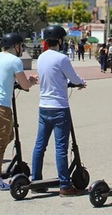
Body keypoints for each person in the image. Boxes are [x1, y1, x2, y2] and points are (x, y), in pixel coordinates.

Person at [0, 33, 38, 191]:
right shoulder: (15, 60)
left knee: (8, 135)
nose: (21, 49)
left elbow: (5, 76)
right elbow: (24, 84)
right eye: (21, 46)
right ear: (15, 46)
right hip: (1, 106)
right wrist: (31, 81)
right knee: (1, 143)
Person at [31, 25, 86, 196]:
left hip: (44, 106)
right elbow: (74, 78)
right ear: (60, 40)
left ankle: (36, 180)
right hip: (59, 107)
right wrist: (80, 83)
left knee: (40, 145)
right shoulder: (62, 59)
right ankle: (64, 184)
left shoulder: (41, 58)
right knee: (61, 147)